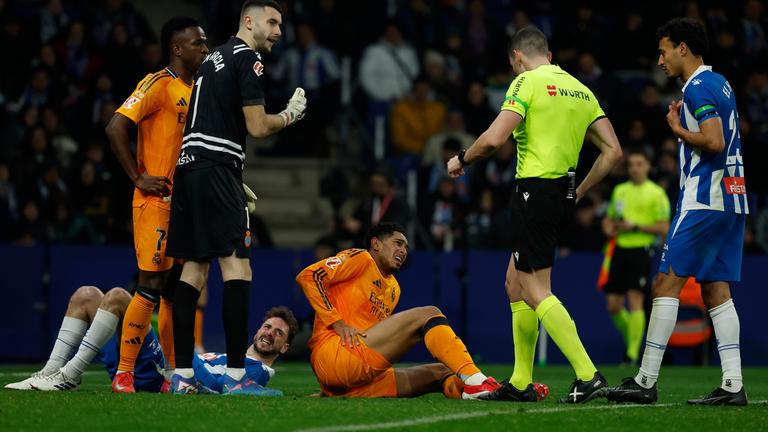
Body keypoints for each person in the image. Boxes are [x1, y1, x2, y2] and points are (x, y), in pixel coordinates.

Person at [447, 26, 623, 403]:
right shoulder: (581, 90)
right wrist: (579, 191)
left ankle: (588, 374)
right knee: (515, 283)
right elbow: (613, 151)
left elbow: (495, 139)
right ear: (549, 54)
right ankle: (521, 382)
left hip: (533, 191)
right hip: (559, 194)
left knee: (534, 289)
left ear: (517, 57)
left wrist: (461, 159)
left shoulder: (525, 82)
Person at [165, 0, 307, 395]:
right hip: (216, 168)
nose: (278, 31)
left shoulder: (210, 61)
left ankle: (182, 378)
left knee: (193, 271)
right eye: (273, 22)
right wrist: (290, 115)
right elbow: (258, 127)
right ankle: (235, 378)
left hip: (190, 169)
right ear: (249, 21)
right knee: (237, 270)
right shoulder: (249, 60)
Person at [608, 18, 749, 406]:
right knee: (716, 289)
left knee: (665, 284)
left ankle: (645, 379)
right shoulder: (720, 82)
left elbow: (714, 141)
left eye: (664, 50)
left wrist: (676, 128)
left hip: (704, 199)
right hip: (732, 197)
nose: (660, 60)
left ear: (683, 48)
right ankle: (733, 386)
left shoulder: (698, 87)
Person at [296, 222, 545, 400]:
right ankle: (479, 382)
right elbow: (310, 276)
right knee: (429, 313)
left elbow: (377, 338)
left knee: (442, 371)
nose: (403, 251)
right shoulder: (361, 258)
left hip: (358, 377)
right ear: (376, 244)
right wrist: (336, 322)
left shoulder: (394, 288)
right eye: (397, 243)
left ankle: (493, 392)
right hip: (335, 353)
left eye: (406, 247)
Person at [104, 17, 209, 393]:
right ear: (177, 48)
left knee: (174, 290)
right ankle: (125, 372)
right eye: (198, 43)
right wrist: (137, 177)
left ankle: (167, 373)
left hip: (188, 204)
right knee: (150, 284)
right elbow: (116, 126)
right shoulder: (158, 84)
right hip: (156, 200)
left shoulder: (199, 88)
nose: (205, 48)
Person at [5, 286, 297, 396]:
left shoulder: (258, 372)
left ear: (284, 348)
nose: (269, 333)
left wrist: (182, 352)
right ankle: (50, 371)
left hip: (157, 374)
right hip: (144, 367)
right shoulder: (231, 355)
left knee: (120, 297)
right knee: (86, 296)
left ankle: (68, 376)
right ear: (258, 328)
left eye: (278, 334)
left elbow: (216, 385)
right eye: (268, 326)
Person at [600, 148, 670, 365]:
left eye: (639, 164)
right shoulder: (620, 190)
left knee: (635, 299)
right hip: (619, 248)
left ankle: (631, 354)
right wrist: (609, 228)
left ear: (648, 166)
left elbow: (664, 227)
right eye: (631, 164)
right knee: (613, 305)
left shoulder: (656, 193)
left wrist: (636, 226)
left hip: (641, 249)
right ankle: (633, 338)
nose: (634, 168)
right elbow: (609, 219)